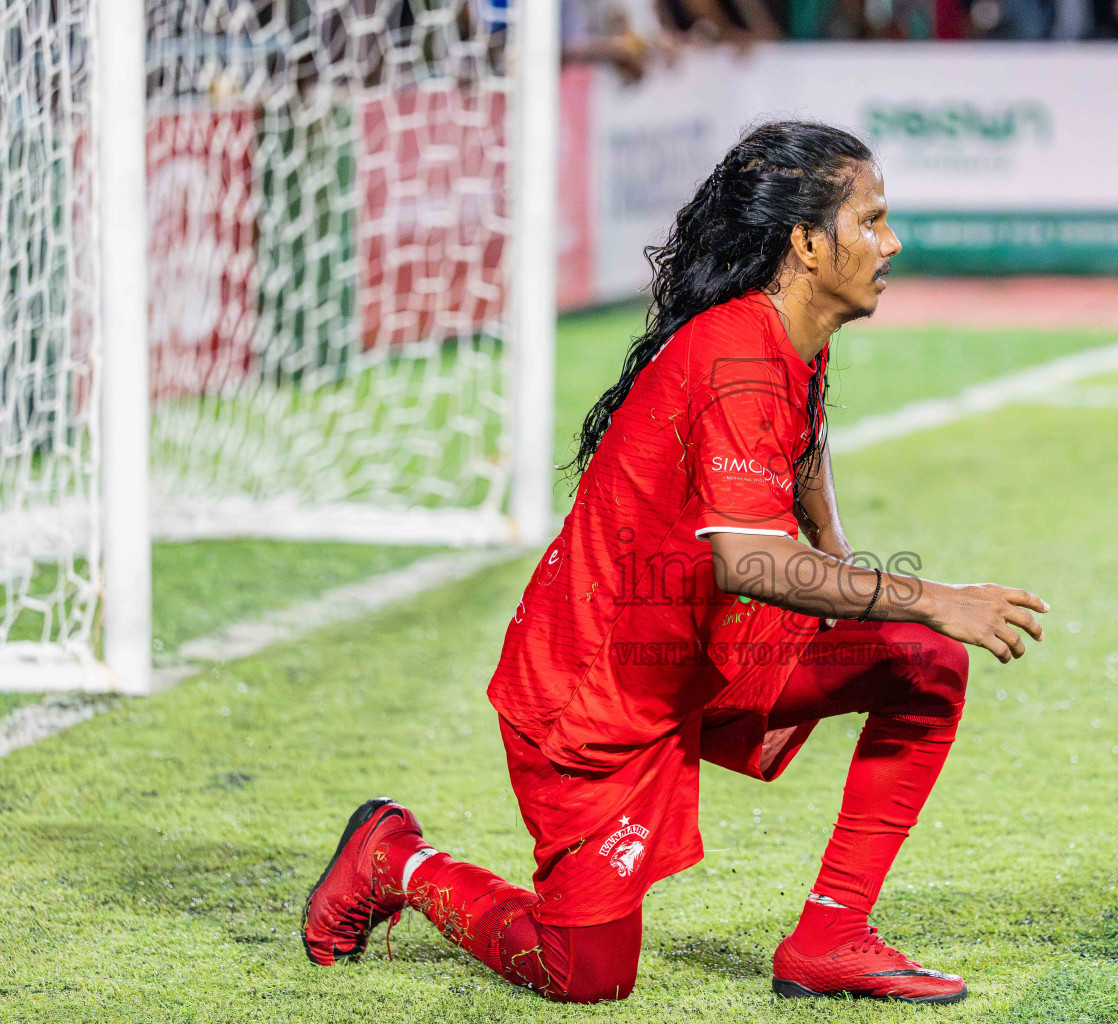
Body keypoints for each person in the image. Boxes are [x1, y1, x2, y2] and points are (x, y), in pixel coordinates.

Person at [302, 120, 1048, 1005]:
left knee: (923, 669)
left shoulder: (793, 332)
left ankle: (831, 935)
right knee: (584, 976)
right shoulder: (734, 351)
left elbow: (802, 438)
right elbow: (744, 560)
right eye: (873, 221)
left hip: (705, 650)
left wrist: (839, 559)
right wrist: (927, 596)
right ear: (808, 245)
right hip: (597, 688)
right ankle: (395, 856)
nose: (891, 243)